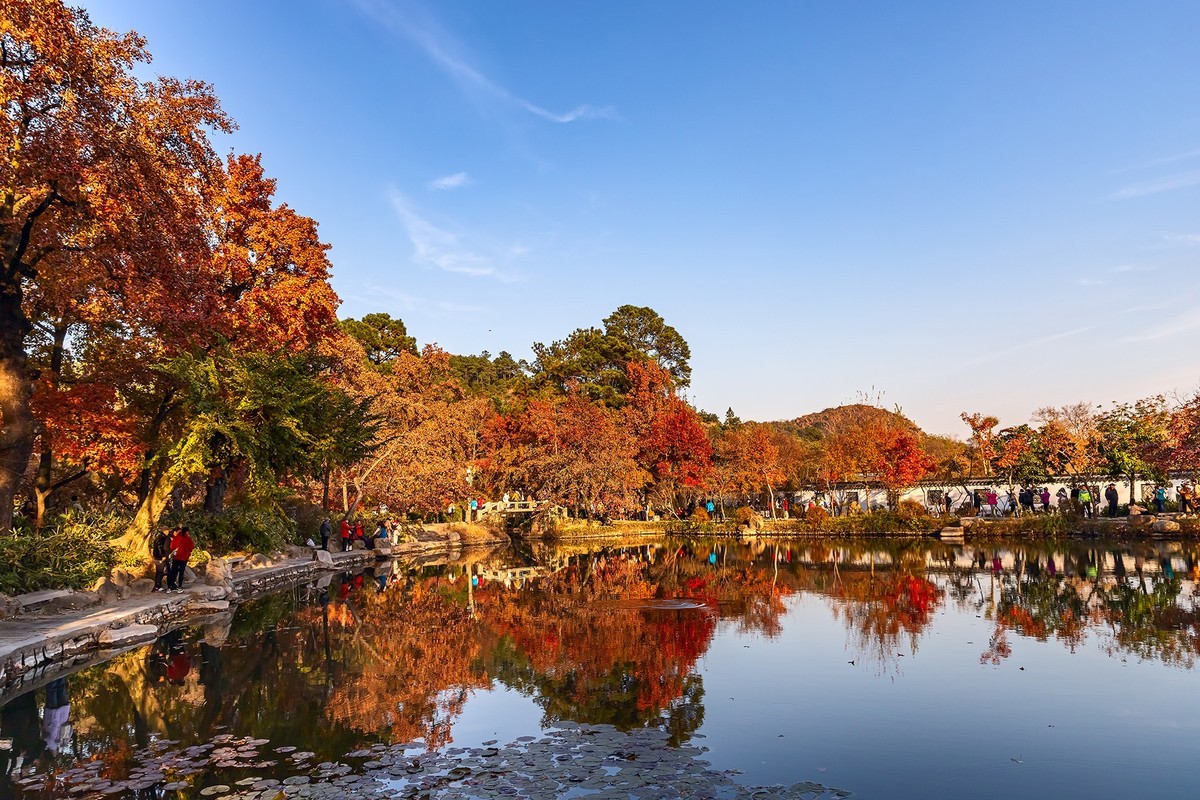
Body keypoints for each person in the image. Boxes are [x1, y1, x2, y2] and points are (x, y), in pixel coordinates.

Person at [166, 526, 195, 592]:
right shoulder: (188, 539)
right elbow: (191, 547)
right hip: (184, 558)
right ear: (187, 532)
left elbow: (171, 547)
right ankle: (180, 587)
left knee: (174, 572)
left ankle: (169, 587)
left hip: (176, 557)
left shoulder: (176, 538)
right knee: (181, 572)